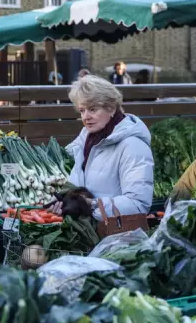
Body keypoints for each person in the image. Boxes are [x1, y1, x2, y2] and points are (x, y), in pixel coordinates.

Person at [47, 75, 154, 219]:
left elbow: (138, 205)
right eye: (82, 110)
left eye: (92, 109)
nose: (86, 117)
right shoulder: (87, 136)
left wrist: (91, 205)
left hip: (114, 235)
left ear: (111, 108)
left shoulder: (133, 147)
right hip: (83, 227)